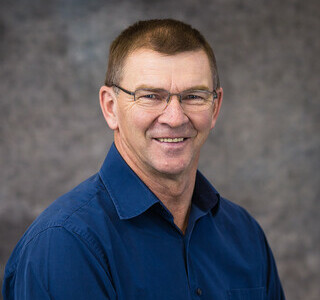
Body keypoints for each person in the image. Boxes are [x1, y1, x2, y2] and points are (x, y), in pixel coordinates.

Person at [2, 19, 285, 299]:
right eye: (150, 95)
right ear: (111, 107)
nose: (175, 118)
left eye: (194, 96)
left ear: (215, 108)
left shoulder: (245, 236)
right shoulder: (65, 244)